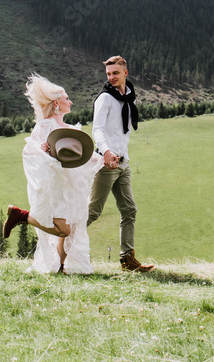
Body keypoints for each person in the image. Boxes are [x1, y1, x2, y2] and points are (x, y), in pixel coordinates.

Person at [4, 73, 102, 274]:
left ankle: (61, 266)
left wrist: (104, 159)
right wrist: (42, 149)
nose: (71, 101)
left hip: (70, 187)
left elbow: (83, 155)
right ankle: (21, 216)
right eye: (67, 98)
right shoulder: (45, 125)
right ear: (56, 103)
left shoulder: (68, 128)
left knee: (72, 229)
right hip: (55, 187)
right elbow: (32, 150)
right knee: (63, 229)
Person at [87, 55, 155, 272]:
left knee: (129, 210)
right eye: (108, 74)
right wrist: (106, 152)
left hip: (123, 163)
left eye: (115, 73)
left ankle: (127, 260)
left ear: (126, 73)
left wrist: (123, 155)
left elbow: (121, 132)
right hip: (106, 163)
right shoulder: (105, 99)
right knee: (93, 212)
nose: (112, 77)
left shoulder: (129, 98)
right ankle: (60, 240)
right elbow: (96, 129)